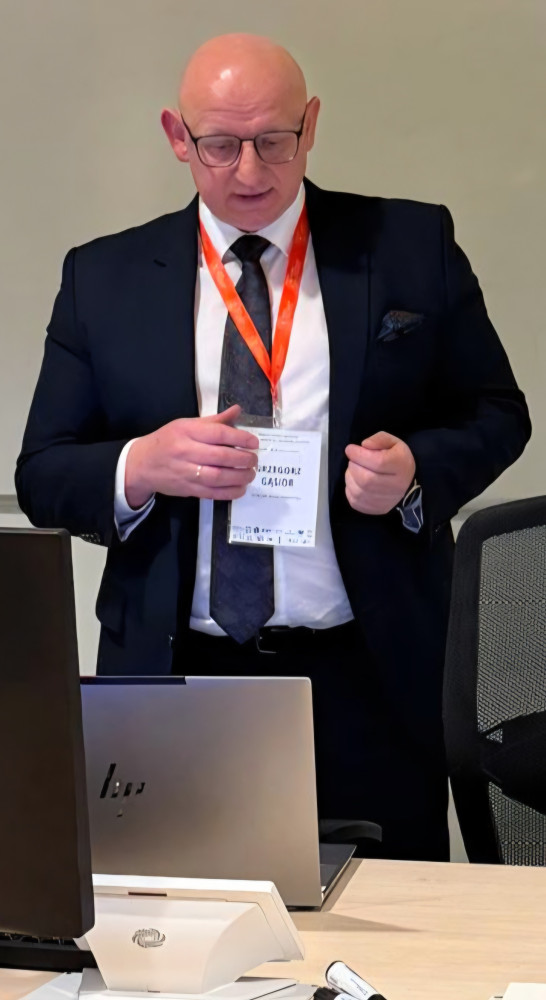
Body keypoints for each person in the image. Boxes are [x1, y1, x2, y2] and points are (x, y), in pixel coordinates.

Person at [16, 33, 530, 861]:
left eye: (274, 141)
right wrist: (140, 467)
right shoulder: (103, 278)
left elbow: (499, 412)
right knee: (181, 917)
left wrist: (414, 473)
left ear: (311, 124)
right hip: (176, 677)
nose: (250, 171)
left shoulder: (408, 245)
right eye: (220, 145)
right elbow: (42, 471)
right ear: (177, 136)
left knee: (393, 920)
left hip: (369, 671)